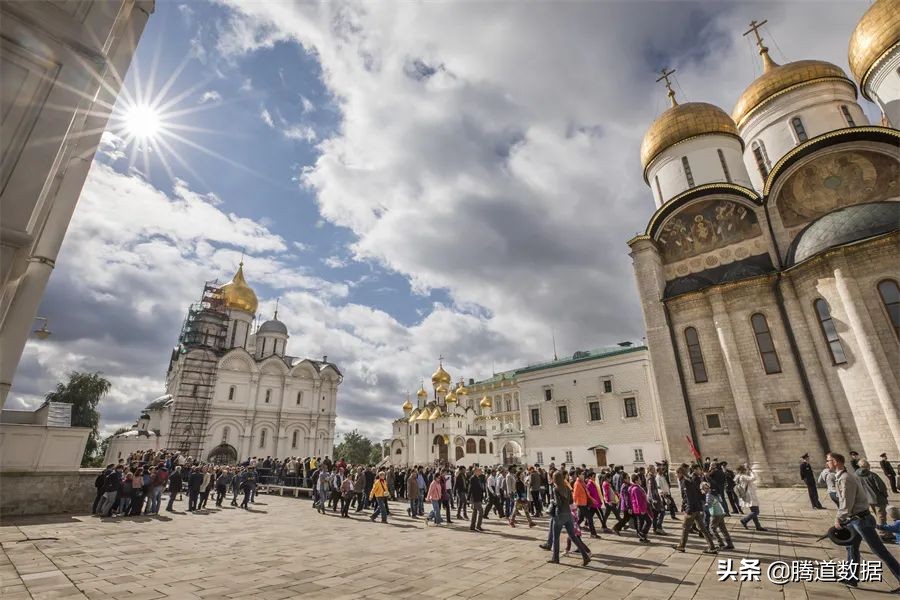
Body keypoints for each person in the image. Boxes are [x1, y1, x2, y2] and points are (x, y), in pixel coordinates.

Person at [828, 452, 900, 592]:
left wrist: (839, 518)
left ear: (836, 461)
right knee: (851, 548)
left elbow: (846, 501)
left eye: (828, 460)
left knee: (879, 550)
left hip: (861, 520)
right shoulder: (842, 477)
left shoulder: (845, 478)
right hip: (854, 519)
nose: (827, 463)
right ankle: (851, 578)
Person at [548, 470, 592, 566]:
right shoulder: (567, 488)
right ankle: (585, 556)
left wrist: (552, 502)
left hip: (559, 515)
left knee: (556, 538)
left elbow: (558, 504)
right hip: (568, 514)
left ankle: (555, 558)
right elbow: (571, 501)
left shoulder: (556, 489)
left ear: (555, 479)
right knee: (573, 536)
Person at [672, 465, 717, 554]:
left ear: (680, 473)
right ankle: (712, 547)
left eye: (676, 474)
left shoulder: (685, 482)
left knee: (685, 528)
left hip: (691, 508)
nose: (676, 476)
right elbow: (697, 493)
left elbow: (689, 497)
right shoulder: (690, 480)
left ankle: (681, 546)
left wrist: (688, 509)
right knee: (703, 529)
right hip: (696, 507)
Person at [857, 459, 890, 527]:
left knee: (878, 516)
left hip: (866, 499)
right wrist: (885, 495)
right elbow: (881, 487)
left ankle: (885, 531)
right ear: (868, 465)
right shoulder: (872, 475)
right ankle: (883, 533)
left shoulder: (855, 476)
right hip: (878, 499)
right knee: (881, 516)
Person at [701, 481, 734, 550]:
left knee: (712, 529)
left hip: (715, 513)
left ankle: (721, 543)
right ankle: (730, 544)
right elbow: (721, 500)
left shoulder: (708, 495)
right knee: (723, 529)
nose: (704, 490)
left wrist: (703, 506)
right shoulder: (715, 493)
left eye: (704, 489)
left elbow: (708, 504)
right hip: (721, 512)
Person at [735, 465, 767, 531]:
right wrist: (751, 471)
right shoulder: (743, 476)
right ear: (743, 470)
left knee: (753, 511)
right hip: (750, 496)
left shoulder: (738, 477)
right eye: (745, 470)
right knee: (756, 511)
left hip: (747, 495)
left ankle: (758, 526)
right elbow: (753, 478)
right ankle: (744, 520)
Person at [469, 466, 485, 532]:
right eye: (479, 470)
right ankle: (478, 526)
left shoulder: (477, 478)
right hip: (475, 498)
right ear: (475, 471)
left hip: (478, 497)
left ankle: (472, 526)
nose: (480, 471)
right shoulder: (473, 478)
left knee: (475, 512)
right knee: (481, 511)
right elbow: (471, 489)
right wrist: (469, 498)